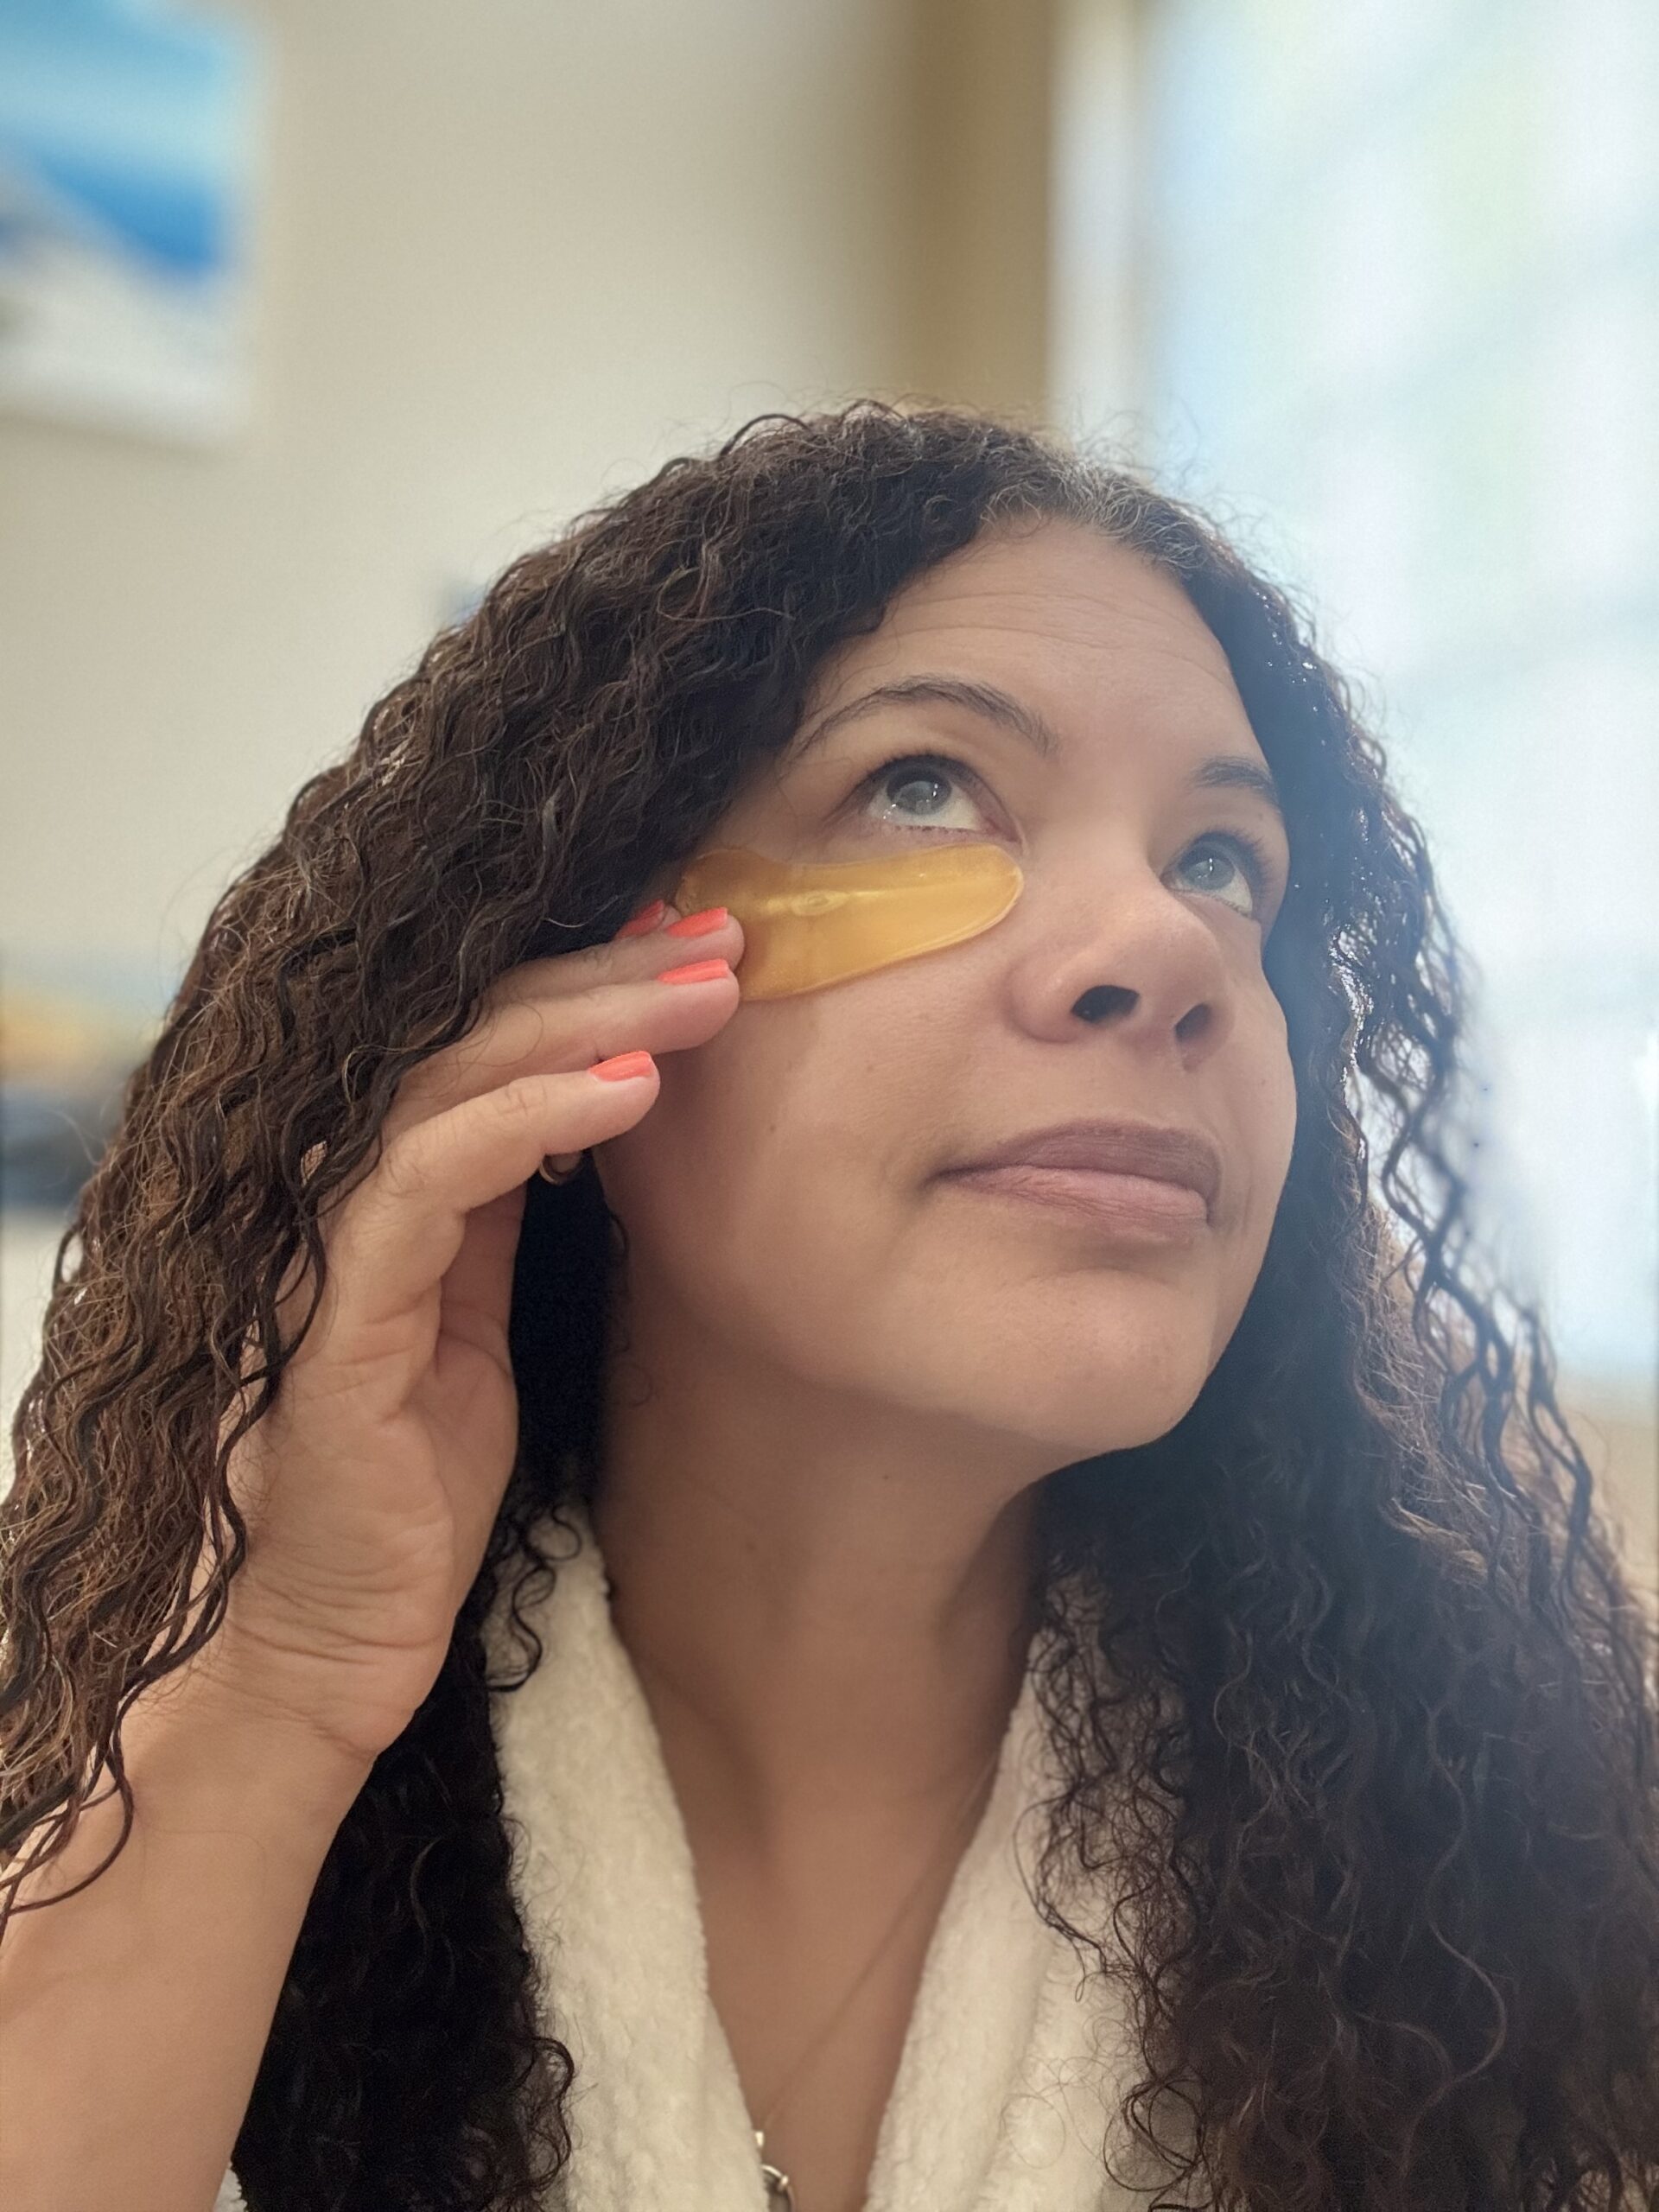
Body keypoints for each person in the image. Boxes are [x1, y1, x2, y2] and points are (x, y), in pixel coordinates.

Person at [2, 404, 1656, 2212]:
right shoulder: (136, 1756)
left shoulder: (1537, 1870)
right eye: (925, 785)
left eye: (1222, 859)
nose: (1172, 947)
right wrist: (279, 1683)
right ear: (568, 981)